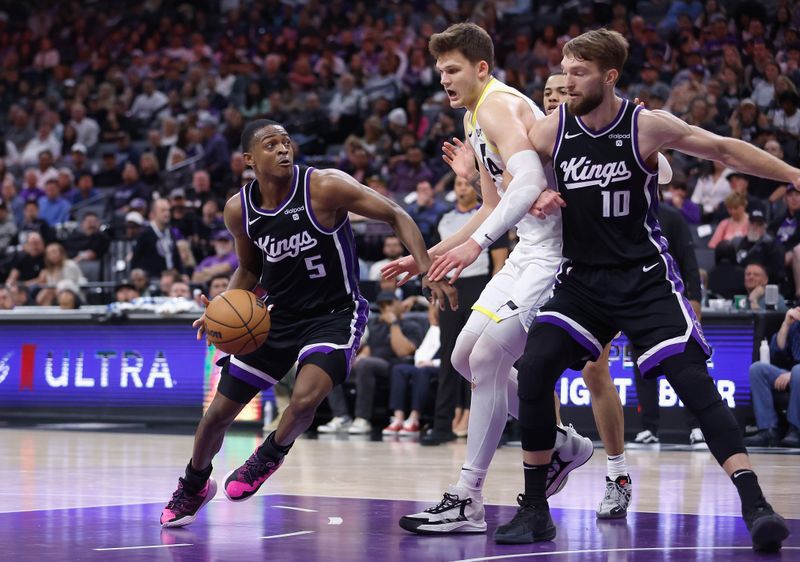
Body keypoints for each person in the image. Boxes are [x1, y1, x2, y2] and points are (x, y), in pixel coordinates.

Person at [429, 28, 791, 550]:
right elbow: (514, 173)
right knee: (532, 368)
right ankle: (535, 508)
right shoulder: (551, 131)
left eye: (578, 73)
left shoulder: (644, 125)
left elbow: (723, 149)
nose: (566, 83)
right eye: (564, 71)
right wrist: (479, 169)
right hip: (583, 280)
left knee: (692, 383)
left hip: (644, 276)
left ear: (609, 76)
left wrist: (794, 174)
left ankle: (754, 501)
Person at [160, 119, 455, 528]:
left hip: (334, 314)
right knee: (216, 416)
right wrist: (222, 308)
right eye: (270, 144)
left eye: (286, 142)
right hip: (276, 318)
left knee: (304, 399)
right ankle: (194, 484)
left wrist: (428, 269)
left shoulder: (324, 186)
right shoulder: (238, 209)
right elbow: (250, 267)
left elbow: (395, 213)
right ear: (249, 159)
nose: (283, 150)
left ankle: (269, 455)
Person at [386, 26, 594, 537]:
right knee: (462, 358)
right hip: (528, 248)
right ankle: (564, 443)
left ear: (482, 68)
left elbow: (525, 182)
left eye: (453, 70)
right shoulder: (472, 114)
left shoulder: (500, 106)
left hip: (560, 254)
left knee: (485, 360)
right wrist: (427, 256)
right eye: (439, 73)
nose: (444, 81)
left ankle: (467, 498)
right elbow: (491, 204)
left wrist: (476, 246)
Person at [745, 306, 800, 448]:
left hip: (796, 372)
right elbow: (778, 350)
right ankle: (768, 430)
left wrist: (792, 374)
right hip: (792, 373)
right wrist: (786, 324)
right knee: (757, 369)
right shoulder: (797, 322)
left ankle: (796, 429)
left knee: (797, 370)